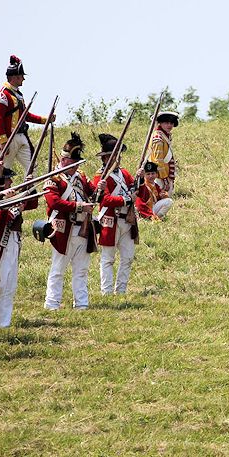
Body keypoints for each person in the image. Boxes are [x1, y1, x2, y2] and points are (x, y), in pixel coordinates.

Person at [43, 133, 95, 310]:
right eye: (73, 163)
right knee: (58, 270)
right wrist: (79, 206)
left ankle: (81, 304)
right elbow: (54, 202)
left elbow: (94, 192)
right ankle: (52, 304)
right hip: (63, 229)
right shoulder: (53, 178)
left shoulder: (80, 177)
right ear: (64, 160)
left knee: (81, 270)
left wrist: (100, 187)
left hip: (83, 229)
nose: (75, 166)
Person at [0, 167, 38, 329]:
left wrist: (29, 186)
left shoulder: (11, 195)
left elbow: (32, 202)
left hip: (13, 240)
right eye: (7, 179)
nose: (11, 182)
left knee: (9, 283)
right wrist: (11, 206)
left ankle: (2, 322)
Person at [0, 54, 53, 175]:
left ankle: (28, 190)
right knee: (3, 171)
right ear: (15, 77)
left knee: (32, 166)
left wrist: (46, 119)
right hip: (8, 138)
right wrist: (3, 141)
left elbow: (25, 116)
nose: (23, 79)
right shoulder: (1, 94)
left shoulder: (18, 95)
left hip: (21, 136)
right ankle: (1, 192)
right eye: (21, 76)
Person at [91, 134, 139, 295]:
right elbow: (105, 200)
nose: (117, 159)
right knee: (108, 259)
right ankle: (106, 291)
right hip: (110, 220)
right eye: (113, 156)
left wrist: (140, 178)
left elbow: (136, 189)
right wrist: (126, 199)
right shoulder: (100, 176)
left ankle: (121, 290)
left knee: (127, 258)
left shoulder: (124, 173)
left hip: (127, 219)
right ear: (105, 158)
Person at [148, 110, 179, 195]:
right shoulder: (158, 138)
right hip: (159, 175)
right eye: (166, 123)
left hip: (163, 172)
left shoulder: (164, 135)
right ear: (160, 123)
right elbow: (158, 160)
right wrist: (165, 178)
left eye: (171, 123)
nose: (169, 125)